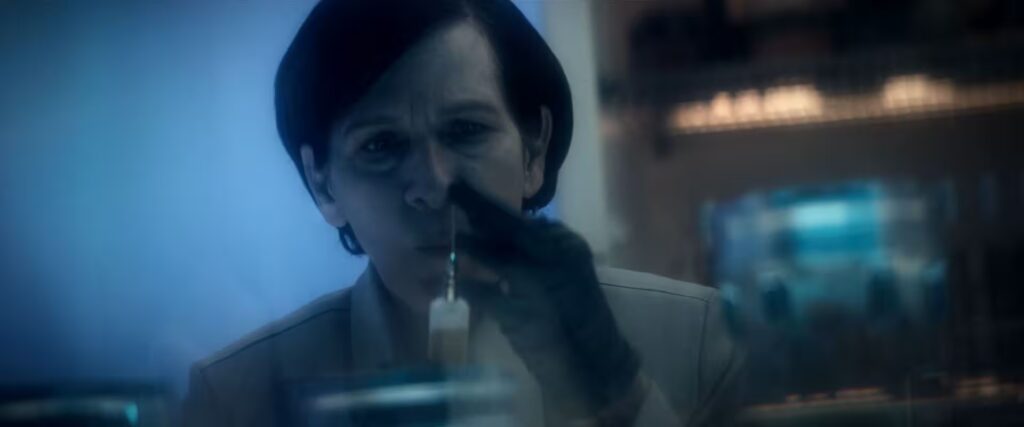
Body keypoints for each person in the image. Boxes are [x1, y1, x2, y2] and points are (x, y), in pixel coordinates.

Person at [181, 0, 742, 425]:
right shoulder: (234, 398)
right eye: (380, 144)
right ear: (322, 184)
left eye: (466, 129)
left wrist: (618, 394)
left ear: (534, 152)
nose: (433, 186)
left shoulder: (692, 342)